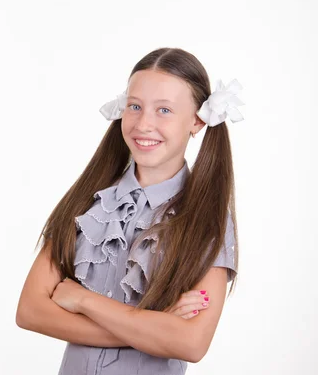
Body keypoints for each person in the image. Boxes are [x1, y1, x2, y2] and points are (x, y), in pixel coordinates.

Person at [16, 47, 241, 374]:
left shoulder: (208, 220)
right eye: (135, 106)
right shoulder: (87, 202)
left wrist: (83, 301)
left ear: (196, 121)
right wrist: (155, 328)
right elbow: (30, 311)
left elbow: (191, 343)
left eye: (164, 110)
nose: (144, 123)